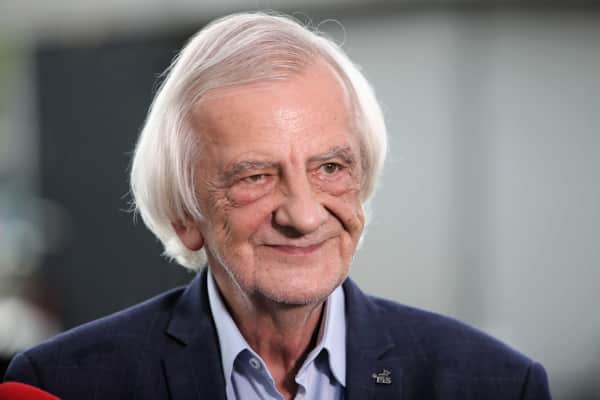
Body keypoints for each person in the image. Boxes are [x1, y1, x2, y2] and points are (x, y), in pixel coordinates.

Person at [4, 12, 551, 400]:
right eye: (256, 177)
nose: (304, 216)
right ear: (186, 215)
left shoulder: (498, 384)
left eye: (330, 168)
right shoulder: (63, 385)